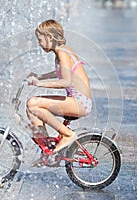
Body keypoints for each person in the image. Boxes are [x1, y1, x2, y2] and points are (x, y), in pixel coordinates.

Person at [27, 19, 92, 154]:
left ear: (49, 37)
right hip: (77, 101)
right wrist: (39, 76)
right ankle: (48, 150)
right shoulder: (62, 51)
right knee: (31, 108)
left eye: (40, 40)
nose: (39, 44)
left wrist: (39, 84)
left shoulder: (62, 53)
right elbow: (62, 71)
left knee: (33, 103)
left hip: (80, 103)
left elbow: (66, 82)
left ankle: (67, 134)